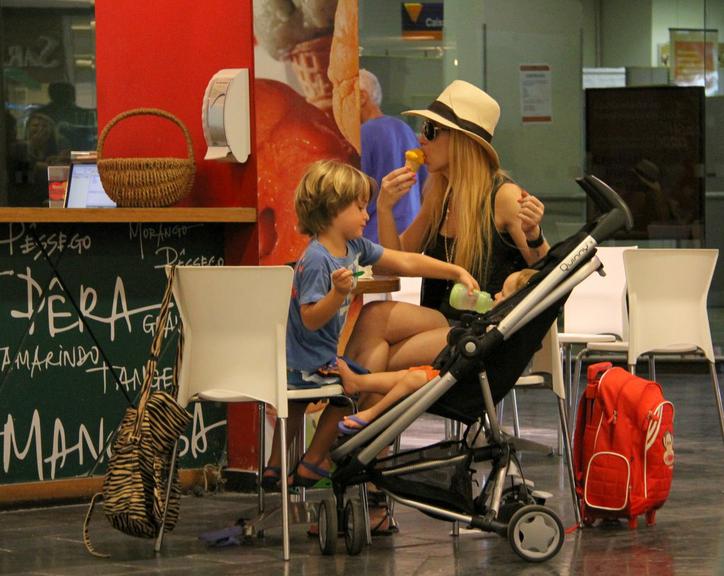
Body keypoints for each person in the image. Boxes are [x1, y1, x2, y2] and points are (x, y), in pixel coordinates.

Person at [262, 158, 478, 490]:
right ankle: (313, 460)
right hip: (308, 360)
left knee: (299, 404)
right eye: (360, 208)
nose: (367, 216)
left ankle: (277, 467)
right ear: (333, 209)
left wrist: (455, 271)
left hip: (311, 358)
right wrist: (338, 294)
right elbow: (310, 318)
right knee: (352, 387)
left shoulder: (356, 248)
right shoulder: (318, 258)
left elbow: (405, 260)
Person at [343, 80, 547, 377]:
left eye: (430, 131)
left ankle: (349, 415)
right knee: (374, 318)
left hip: (485, 332)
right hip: (445, 322)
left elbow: (548, 274)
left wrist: (535, 235)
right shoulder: (440, 196)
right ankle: (355, 418)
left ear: (463, 141)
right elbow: (397, 262)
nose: (420, 139)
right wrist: (385, 207)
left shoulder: (504, 197)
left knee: (374, 359)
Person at [336, 268, 538, 434]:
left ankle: (366, 410)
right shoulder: (498, 327)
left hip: (459, 374)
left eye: (503, 294)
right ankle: (362, 406)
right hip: (450, 367)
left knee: (405, 374)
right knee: (398, 365)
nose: (496, 295)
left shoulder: (501, 330)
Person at [359, 69, 427, 243]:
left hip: (374, 235)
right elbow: (424, 184)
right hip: (412, 230)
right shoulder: (405, 129)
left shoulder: (363, 135)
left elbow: (354, 191)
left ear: (361, 96)